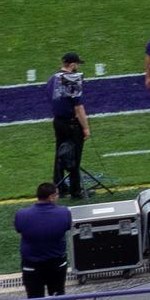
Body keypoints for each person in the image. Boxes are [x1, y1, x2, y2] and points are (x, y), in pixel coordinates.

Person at [14, 182, 72, 300]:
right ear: (51, 197)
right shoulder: (64, 212)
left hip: (31, 266)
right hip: (56, 264)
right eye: (57, 195)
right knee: (58, 298)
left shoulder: (22, 214)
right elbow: (67, 226)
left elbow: (18, 229)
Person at [49, 52, 89, 196]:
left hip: (58, 121)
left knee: (60, 154)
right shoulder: (72, 79)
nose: (78, 67)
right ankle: (75, 190)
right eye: (77, 64)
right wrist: (85, 127)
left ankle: (59, 187)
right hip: (71, 123)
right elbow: (78, 108)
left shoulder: (52, 78)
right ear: (72, 65)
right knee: (74, 157)